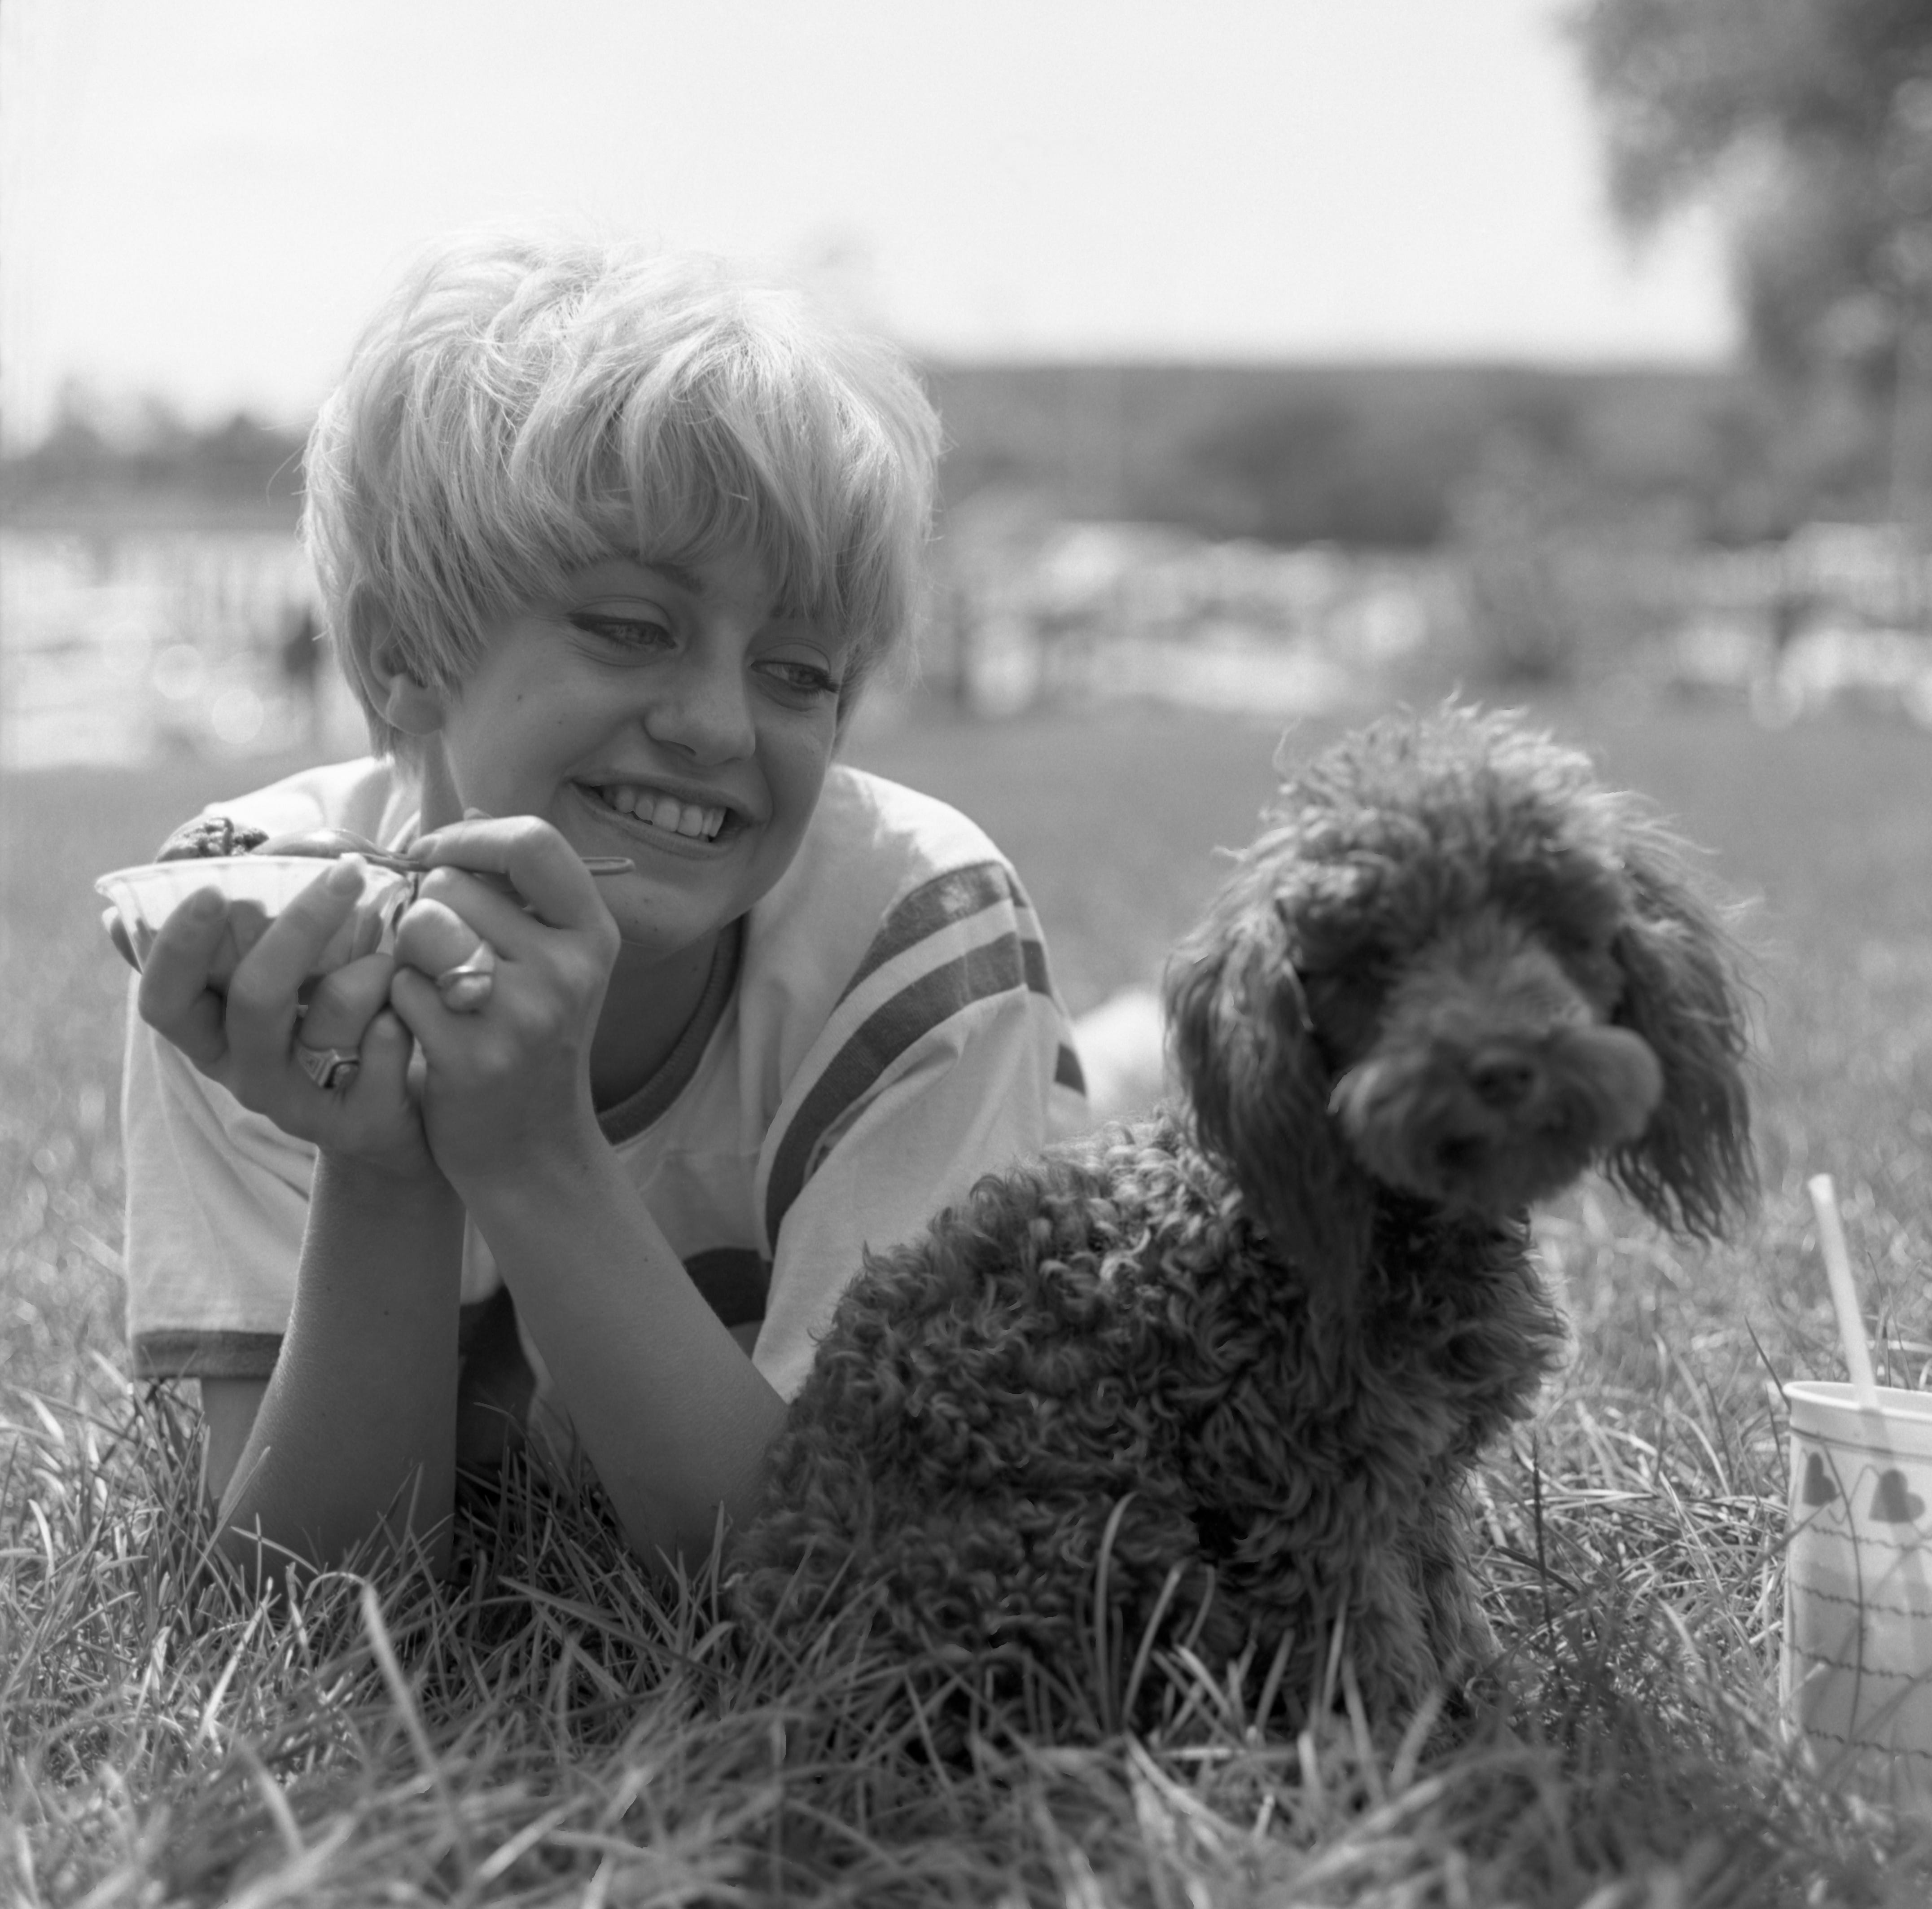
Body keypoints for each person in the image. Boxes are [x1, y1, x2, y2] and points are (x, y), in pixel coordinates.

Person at [117, 233, 1089, 1585]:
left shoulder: (914, 944)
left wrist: (531, 1156)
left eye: (797, 670)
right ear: (404, 653)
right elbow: (319, 1606)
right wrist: (388, 1162)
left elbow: (849, 1592)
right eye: (630, 627)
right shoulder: (254, 935)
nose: (712, 724)